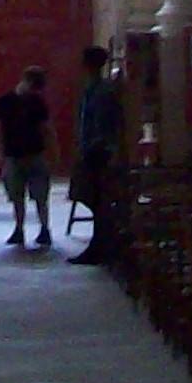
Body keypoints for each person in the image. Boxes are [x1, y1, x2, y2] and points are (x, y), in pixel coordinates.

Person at [68, 43, 125, 265]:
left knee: (98, 200)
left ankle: (102, 245)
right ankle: (100, 244)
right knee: (93, 199)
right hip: (93, 150)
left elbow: (101, 126)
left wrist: (92, 148)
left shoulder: (101, 92)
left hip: (97, 154)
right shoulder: (92, 89)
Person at [0, 66, 56, 251]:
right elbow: (47, 129)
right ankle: (27, 229)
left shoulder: (19, 101)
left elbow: (46, 128)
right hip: (24, 155)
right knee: (23, 195)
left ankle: (34, 229)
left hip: (26, 155)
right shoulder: (9, 102)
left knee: (34, 195)